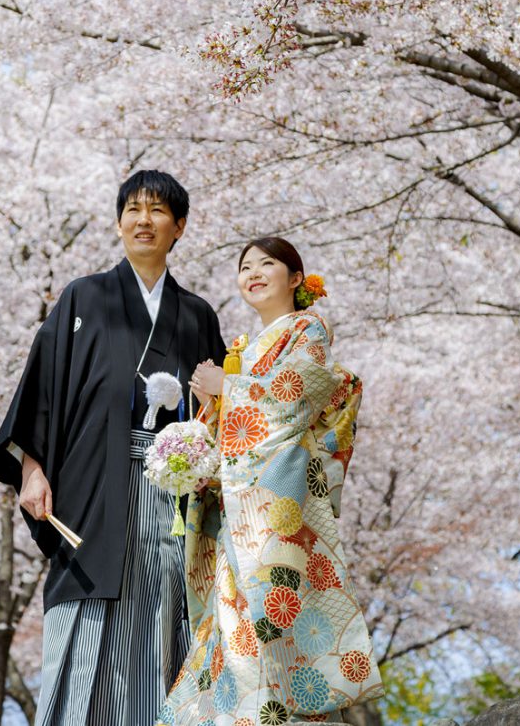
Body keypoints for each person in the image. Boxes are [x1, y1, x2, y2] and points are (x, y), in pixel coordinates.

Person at [0, 170, 226, 726]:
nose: (144, 221)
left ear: (179, 227)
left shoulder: (197, 314)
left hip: (174, 494)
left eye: (158, 211)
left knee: (170, 609)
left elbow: (218, 416)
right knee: (89, 607)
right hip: (93, 486)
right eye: (134, 210)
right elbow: (43, 389)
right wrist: (32, 471)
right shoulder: (83, 297)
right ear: (119, 223)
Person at [158, 237, 383, 725]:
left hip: (275, 503)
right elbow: (232, 430)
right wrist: (198, 447)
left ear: (297, 279)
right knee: (233, 621)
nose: (253, 272)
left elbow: (294, 399)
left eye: (267, 264)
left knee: (273, 612)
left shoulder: (308, 328)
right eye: (245, 267)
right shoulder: (241, 346)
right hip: (235, 502)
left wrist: (230, 388)